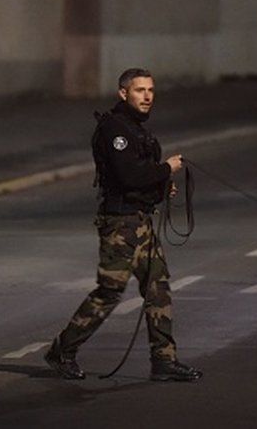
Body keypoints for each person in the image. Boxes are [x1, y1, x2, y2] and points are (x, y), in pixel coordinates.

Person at [44, 68, 202, 382]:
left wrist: (160, 186)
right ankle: (62, 350)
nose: (147, 96)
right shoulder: (115, 130)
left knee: (158, 288)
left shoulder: (136, 128)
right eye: (140, 90)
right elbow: (128, 175)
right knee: (109, 292)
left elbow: (140, 174)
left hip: (141, 220)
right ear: (123, 93)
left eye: (151, 90)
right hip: (120, 224)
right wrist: (165, 170)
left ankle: (164, 361)